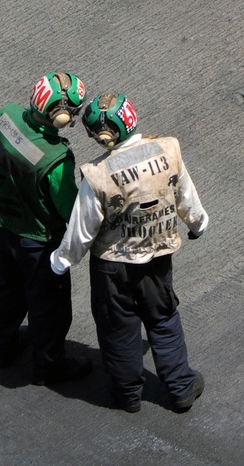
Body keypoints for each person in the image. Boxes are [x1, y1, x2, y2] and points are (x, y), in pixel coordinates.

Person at [51, 92, 208, 414]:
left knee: (117, 328)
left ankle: (127, 395)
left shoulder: (97, 174)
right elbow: (185, 195)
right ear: (131, 119)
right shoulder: (168, 149)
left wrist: (61, 261)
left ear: (97, 135)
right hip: (157, 257)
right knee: (163, 319)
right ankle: (180, 388)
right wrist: (198, 225)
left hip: (112, 266)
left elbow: (83, 227)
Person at [0, 71, 92, 384]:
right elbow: (70, 209)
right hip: (36, 243)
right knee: (48, 308)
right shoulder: (56, 158)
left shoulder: (6, 116)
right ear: (61, 117)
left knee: (3, 292)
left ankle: (4, 347)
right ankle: (48, 367)